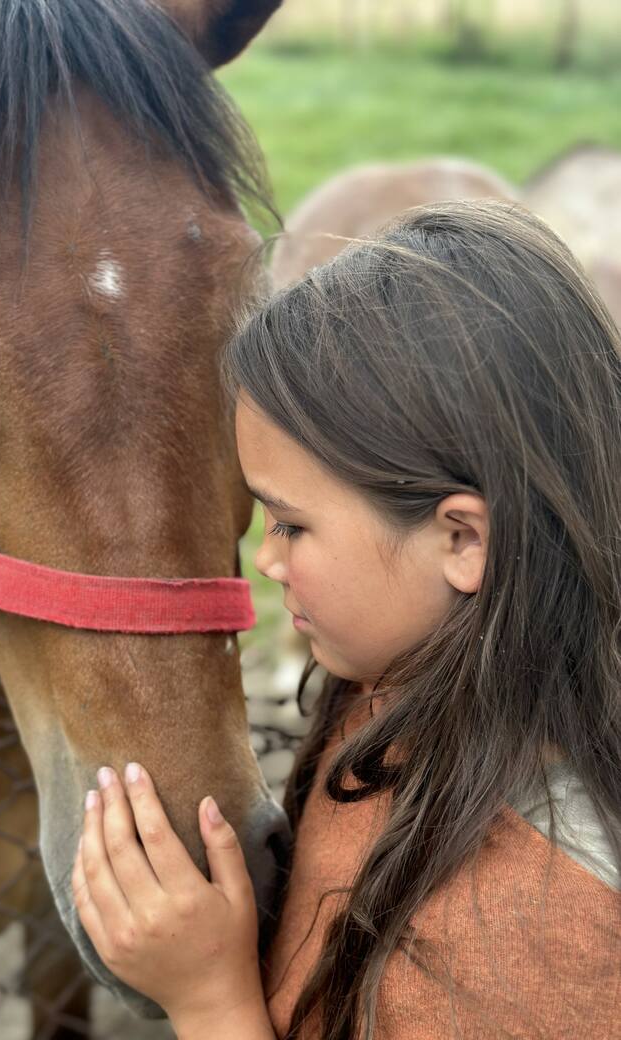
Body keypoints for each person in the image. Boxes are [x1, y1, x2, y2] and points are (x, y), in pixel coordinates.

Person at [72, 199, 621, 1039]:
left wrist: (209, 1001)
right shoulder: (412, 677)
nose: (266, 558)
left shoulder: (526, 960)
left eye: (290, 523)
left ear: (462, 540)